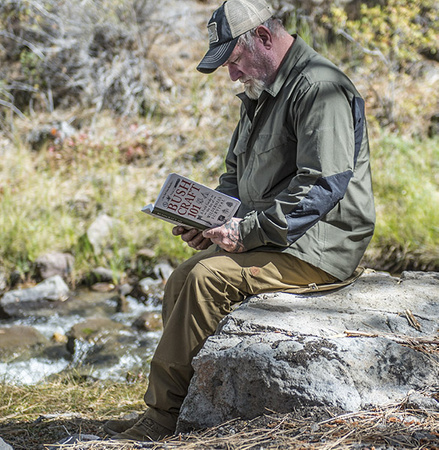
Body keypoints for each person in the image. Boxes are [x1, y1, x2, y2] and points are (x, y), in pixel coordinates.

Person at [104, 0, 375, 442]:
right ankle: (179, 405)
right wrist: (209, 217)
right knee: (180, 277)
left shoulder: (319, 87)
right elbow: (234, 176)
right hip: (277, 238)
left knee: (206, 279)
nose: (232, 75)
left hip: (321, 247)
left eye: (234, 60)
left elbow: (324, 185)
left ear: (265, 38)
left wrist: (243, 232)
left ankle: (161, 421)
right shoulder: (259, 92)